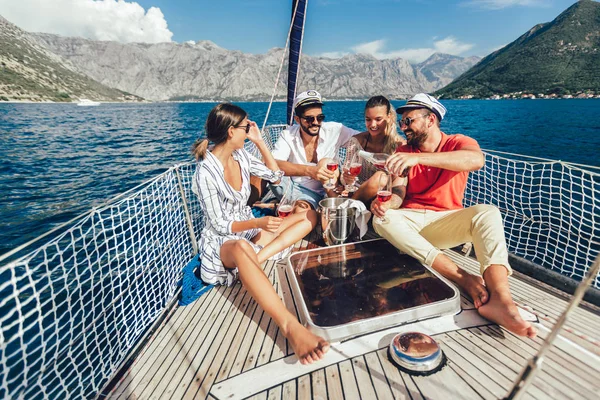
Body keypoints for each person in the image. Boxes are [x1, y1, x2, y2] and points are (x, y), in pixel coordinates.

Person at [370, 93, 537, 338]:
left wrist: (418, 158)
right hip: (412, 221)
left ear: (431, 120)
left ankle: (502, 299)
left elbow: (475, 160)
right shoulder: (404, 150)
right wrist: (386, 204)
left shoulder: (458, 142)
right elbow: (399, 191)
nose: (404, 128)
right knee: (381, 219)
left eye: (410, 121)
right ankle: (463, 277)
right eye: (403, 122)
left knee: (488, 213)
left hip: (444, 222)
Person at [192, 103, 329, 364]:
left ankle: (252, 265)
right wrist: (262, 223)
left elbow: (275, 176)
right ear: (231, 132)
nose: (250, 131)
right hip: (223, 242)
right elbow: (220, 224)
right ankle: (290, 326)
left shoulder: (241, 156)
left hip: (248, 227)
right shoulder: (205, 172)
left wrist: (260, 142)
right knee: (242, 249)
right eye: (246, 128)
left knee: (309, 216)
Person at [266, 90, 360, 210]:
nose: (315, 123)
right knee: (258, 166)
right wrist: (310, 171)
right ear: (297, 119)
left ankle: (333, 205)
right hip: (298, 189)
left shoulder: (336, 130)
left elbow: (365, 139)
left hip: (330, 190)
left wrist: (390, 137)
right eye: (309, 119)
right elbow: (274, 164)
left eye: (320, 118)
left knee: (325, 163)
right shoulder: (287, 135)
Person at [339, 95, 405, 204]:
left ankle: (347, 208)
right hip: (357, 194)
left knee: (381, 177)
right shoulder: (356, 141)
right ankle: (349, 207)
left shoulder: (399, 145)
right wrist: (346, 179)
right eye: (368, 119)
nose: (372, 125)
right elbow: (344, 177)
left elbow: (398, 183)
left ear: (389, 117)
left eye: (378, 119)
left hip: (381, 199)